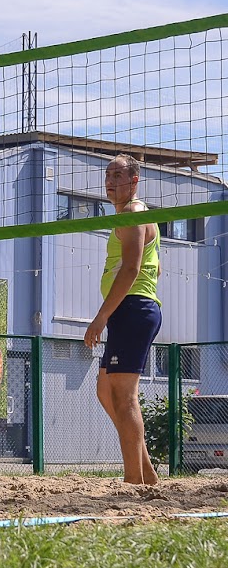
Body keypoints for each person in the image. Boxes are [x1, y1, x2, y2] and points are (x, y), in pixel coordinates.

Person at [84, 154, 161, 485]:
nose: (110, 181)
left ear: (134, 181)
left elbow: (131, 268)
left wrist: (100, 318)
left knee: (123, 395)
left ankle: (133, 481)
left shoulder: (132, 213)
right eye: (108, 174)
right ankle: (147, 473)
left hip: (131, 309)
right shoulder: (133, 214)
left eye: (118, 175)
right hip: (130, 310)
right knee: (106, 390)